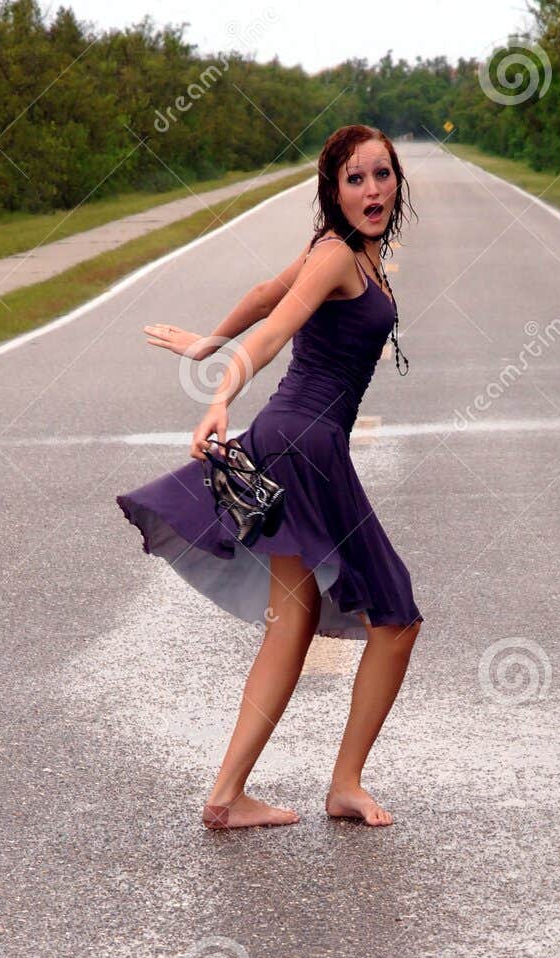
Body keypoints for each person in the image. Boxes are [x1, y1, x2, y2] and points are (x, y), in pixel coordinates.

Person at [116, 125, 423, 831]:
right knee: (396, 616)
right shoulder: (336, 256)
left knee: (293, 623)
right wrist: (220, 390)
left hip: (294, 443)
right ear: (332, 190)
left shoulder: (352, 255)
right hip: (306, 444)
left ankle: (227, 795)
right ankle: (343, 783)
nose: (372, 190)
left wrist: (206, 338)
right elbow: (277, 326)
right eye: (355, 179)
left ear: (396, 180)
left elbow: (260, 293)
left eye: (381, 175)